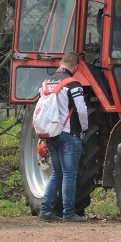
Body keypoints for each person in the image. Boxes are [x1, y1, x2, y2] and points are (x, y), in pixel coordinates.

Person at [39, 52, 90, 223]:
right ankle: (69, 213)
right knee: (69, 175)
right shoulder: (73, 84)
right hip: (69, 134)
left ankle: (45, 210)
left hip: (50, 134)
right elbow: (81, 110)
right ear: (76, 67)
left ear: (61, 62)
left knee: (57, 173)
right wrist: (84, 128)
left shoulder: (45, 83)